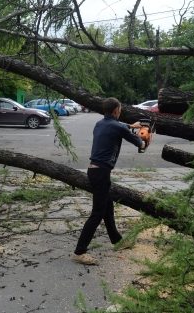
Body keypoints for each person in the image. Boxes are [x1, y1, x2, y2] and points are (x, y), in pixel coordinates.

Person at [72, 97, 150, 265]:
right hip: (101, 173)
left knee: (107, 208)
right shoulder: (118, 127)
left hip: (95, 171)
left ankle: (117, 241)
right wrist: (144, 137)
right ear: (116, 110)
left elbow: (115, 127)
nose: (120, 112)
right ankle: (79, 252)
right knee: (97, 213)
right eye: (120, 110)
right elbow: (140, 144)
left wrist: (131, 126)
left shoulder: (100, 123)